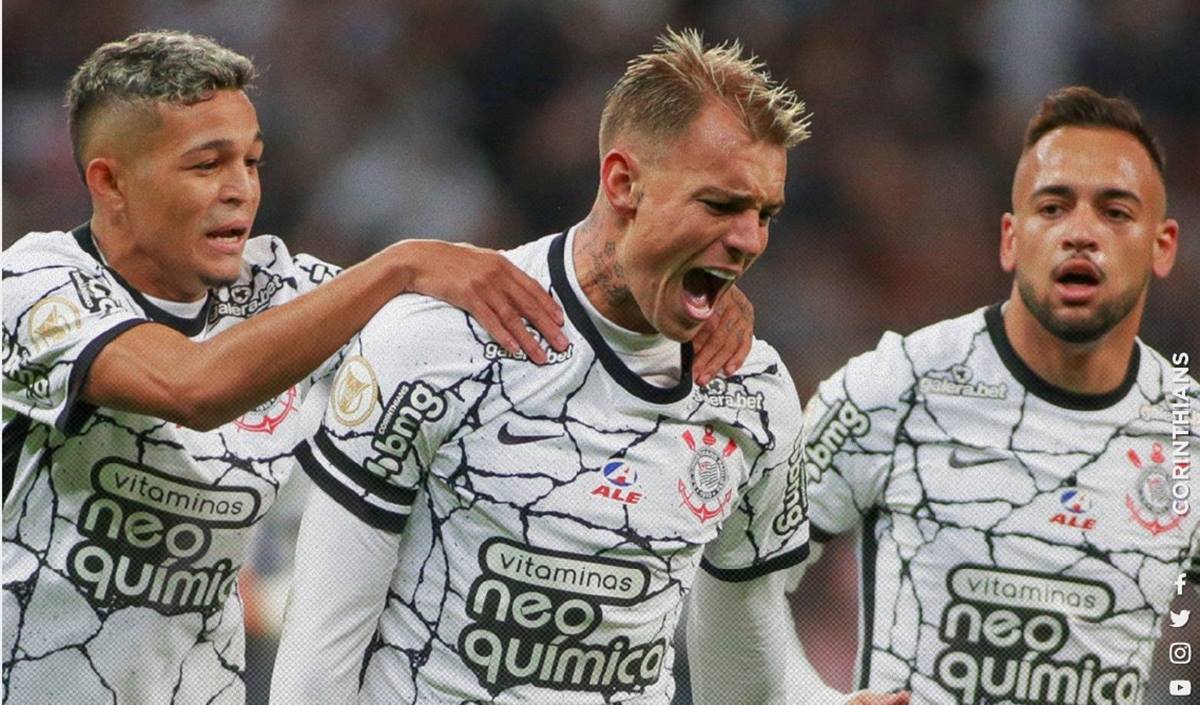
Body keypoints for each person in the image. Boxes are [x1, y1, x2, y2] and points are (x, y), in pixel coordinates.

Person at [0, 30, 752, 705]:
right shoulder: (35, 286)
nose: (241, 188)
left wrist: (673, 289)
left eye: (252, 161)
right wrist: (401, 264)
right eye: (207, 164)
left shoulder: (282, 295)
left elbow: (498, 323)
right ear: (110, 183)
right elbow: (189, 387)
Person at [270, 28, 821, 704]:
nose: (748, 241)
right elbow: (318, 654)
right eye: (720, 204)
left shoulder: (754, 395)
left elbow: (746, 668)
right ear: (624, 182)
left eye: (765, 213)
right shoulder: (438, 345)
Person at [699, 86, 1198, 705]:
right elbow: (732, 576)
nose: (1080, 233)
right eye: (1053, 208)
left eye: (1116, 212)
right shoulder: (895, 389)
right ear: (1011, 240)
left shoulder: (1186, 434)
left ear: (1163, 245)